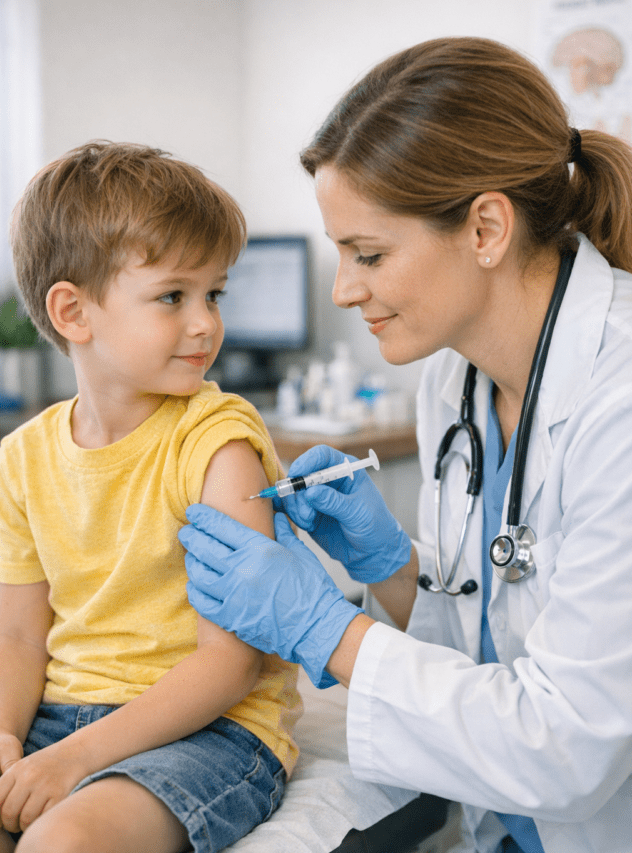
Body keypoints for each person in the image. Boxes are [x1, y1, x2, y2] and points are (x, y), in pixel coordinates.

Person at [179, 37, 632, 853]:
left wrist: (323, 629)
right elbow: (474, 660)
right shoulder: (451, 383)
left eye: (369, 254)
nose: (345, 289)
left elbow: (568, 746)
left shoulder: (620, 398)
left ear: (486, 227)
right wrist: (393, 569)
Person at [0, 141, 301, 853]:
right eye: (173, 296)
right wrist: (6, 733)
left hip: (210, 731)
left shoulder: (217, 441)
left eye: (213, 294)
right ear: (74, 312)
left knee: (60, 843)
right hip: (58, 714)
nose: (206, 322)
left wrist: (73, 760)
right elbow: (14, 636)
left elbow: (230, 664)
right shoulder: (23, 458)